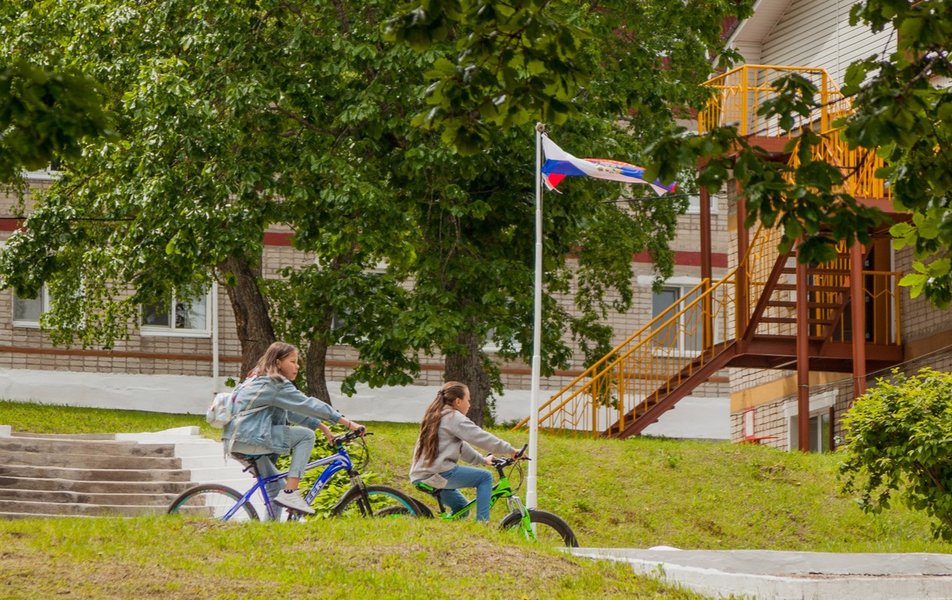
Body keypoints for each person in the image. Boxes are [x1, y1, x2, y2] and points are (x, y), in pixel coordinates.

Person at [222, 341, 363, 516]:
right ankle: (291, 492)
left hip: (236, 440)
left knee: (276, 489)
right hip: (249, 438)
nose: (297, 366)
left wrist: (322, 427)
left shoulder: (260, 380)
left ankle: (270, 529)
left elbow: (290, 412)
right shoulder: (276, 384)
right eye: (293, 361)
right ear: (278, 362)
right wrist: (349, 424)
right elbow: (309, 404)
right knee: (306, 436)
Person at [409, 381, 522, 522]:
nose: (469, 404)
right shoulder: (453, 418)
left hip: (422, 475)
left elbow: (461, 446)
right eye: (468, 400)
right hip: (436, 473)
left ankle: (442, 531)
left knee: (461, 508)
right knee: (485, 477)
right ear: (458, 401)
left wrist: (482, 460)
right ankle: (482, 524)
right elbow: (481, 437)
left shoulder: (436, 415)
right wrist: (511, 450)